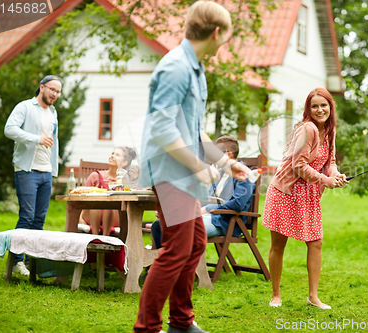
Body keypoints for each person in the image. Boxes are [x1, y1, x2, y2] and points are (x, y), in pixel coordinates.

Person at [134, 2, 250, 333]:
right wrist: (199, 167)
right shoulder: (175, 68)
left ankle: (181, 322)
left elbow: (194, 128)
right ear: (216, 33)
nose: (226, 40)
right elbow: (162, 128)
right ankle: (148, 328)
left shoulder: (195, 69)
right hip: (170, 172)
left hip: (182, 172)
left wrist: (224, 163)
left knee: (195, 244)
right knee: (176, 250)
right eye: (227, 34)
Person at [262, 87, 349, 309]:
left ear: (331, 106)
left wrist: (335, 175)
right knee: (279, 245)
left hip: (308, 194)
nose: (320, 110)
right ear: (308, 110)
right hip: (286, 191)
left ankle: (313, 297)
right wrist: (325, 180)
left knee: (316, 242)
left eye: (324, 105)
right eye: (315, 106)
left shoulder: (329, 131)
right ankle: (276, 295)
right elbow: (298, 166)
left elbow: (329, 162)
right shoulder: (308, 129)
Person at [149, 137, 255, 249]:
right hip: (204, 217)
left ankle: (175, 264)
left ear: (228, 154)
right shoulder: (218, 173)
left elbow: (238, 204)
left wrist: (209, 208)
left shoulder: (244, 174)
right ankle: (164, 263)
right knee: (158, 225)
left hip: (223, 222)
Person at [4, 75, 63, 276]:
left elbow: (53, 142)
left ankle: (32, 262)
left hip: (46, 172)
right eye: (52, 89)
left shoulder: (53, 112)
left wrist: (54, 167)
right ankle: (16, 261)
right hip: (27, 170)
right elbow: (9, 129)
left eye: (58, 91)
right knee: (26, 217)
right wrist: (36, 139)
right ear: (42, 87)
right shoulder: (25, 107)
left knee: (39, 219)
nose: (55, 94)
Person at [79, 147, 137, 236]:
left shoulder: (126, 181)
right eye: (112, 153)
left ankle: (105, 237)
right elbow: (83, 200)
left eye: (117, 155)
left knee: (110, 205)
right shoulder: (95, 176)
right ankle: (95, 237)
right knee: (97, 202)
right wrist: (80, 218)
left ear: (125, 162)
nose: (112, 156)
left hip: (115, 217)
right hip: (91, 215)